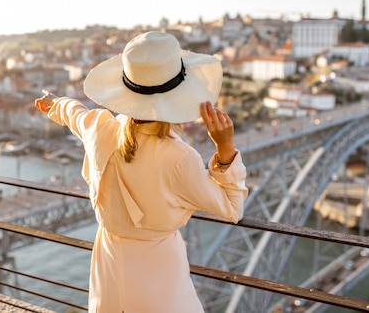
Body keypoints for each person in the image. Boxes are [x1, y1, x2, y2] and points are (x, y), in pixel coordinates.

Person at [35, 31, 248, 313]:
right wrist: (225, 148)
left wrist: (53, 103)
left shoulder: (99, 128)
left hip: (108, 264)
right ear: (178, 94)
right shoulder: (179, 159)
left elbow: (75, 114)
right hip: (159, 276)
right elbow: (233, 209)